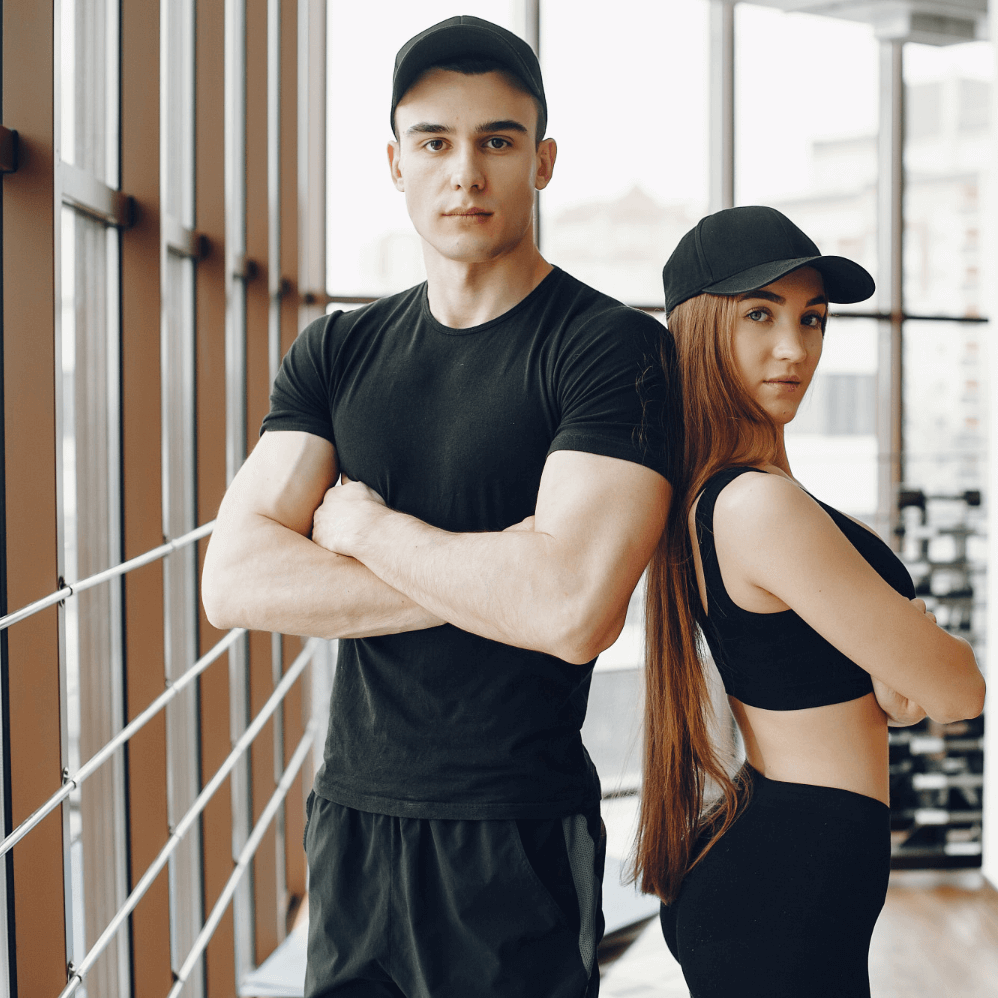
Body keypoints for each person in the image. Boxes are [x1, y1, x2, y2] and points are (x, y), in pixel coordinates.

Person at [201, 16, 672, 998]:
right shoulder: (337, 351)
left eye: (497, 141)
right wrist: (503, 574)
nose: (466, 172)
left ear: (542, 161)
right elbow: (234, 577)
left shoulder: (609, 349)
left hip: (517, 825)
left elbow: (572, 612)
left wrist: (371, 530)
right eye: (436, 141)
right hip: (355, 818)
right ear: (395, 161)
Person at [631, 206, 986, 998]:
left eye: (813, 319)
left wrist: (906, 667)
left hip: (791, 866)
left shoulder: (735, 497)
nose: (795, 349)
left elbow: (901, 698)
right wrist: (916, 651)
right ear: (698, 328)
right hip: (788, 885)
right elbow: (956, 689)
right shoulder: (761, 508)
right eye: (760, 314)